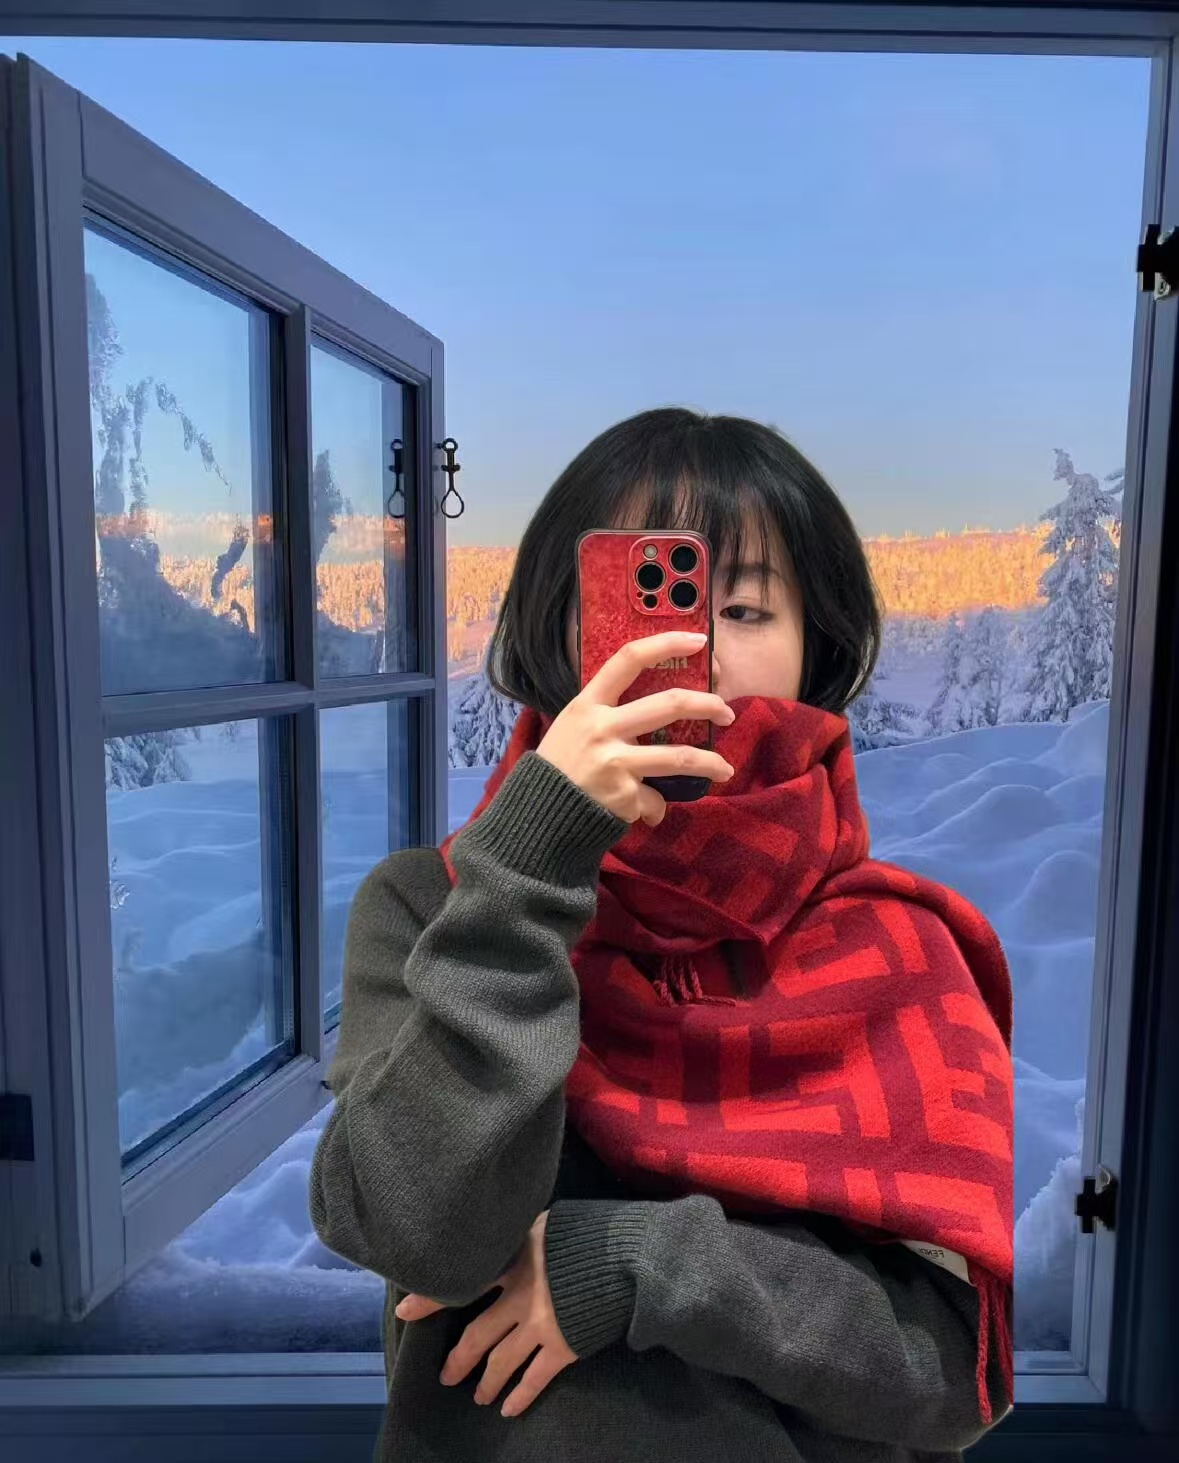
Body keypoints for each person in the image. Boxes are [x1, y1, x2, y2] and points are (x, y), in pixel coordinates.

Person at [309, 407, 1015, 1463]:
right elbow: (419, 1233)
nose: (694, 648)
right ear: (557, 626)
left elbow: (946, 1374)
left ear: (817, 645)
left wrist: (645, 1262)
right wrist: (534, 863)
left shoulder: (892, 950)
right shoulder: (434, 908)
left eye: (745, 607)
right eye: (643, 599)